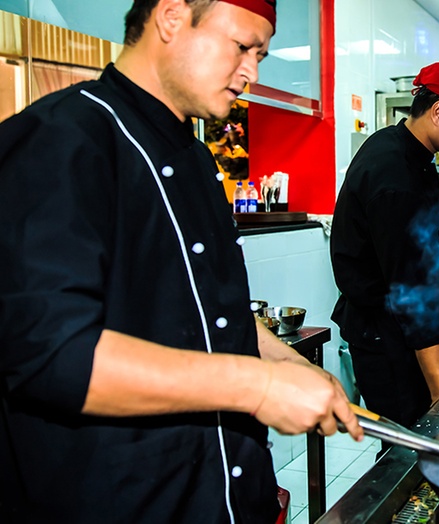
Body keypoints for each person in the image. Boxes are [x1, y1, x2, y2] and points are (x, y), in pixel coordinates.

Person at [0, 1, 361, 522]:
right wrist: (255, 386)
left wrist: (280, 358)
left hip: (223, 490)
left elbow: (200, 303)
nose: (252, 73)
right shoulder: (59, 141)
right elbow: (54, 357)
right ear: (171, 17)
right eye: (242, 47)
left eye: (261, 54)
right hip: (123, 499)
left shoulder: (194, 155)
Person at [330, 58, 439, 429]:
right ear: (438, 112)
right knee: (411, 441)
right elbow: (410, 290)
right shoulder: (395, 174)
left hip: (393, 324)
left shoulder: (403, 148)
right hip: (385, 336)